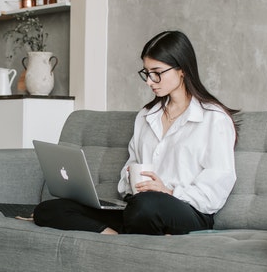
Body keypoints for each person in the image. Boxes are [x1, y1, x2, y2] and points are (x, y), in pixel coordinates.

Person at [33, 30, 238, 235]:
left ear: (182, 69)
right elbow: (131, 166)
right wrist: (130, 178)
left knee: (145, 207)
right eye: (146, 73)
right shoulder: (147, 116)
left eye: (157, 72)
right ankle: (113, 235)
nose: (149, 81)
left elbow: (218, 185)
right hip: (139, 207)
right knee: (49, 209)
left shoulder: (213, 118)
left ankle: (131, 228)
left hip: (187, 210)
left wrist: (169, 192)